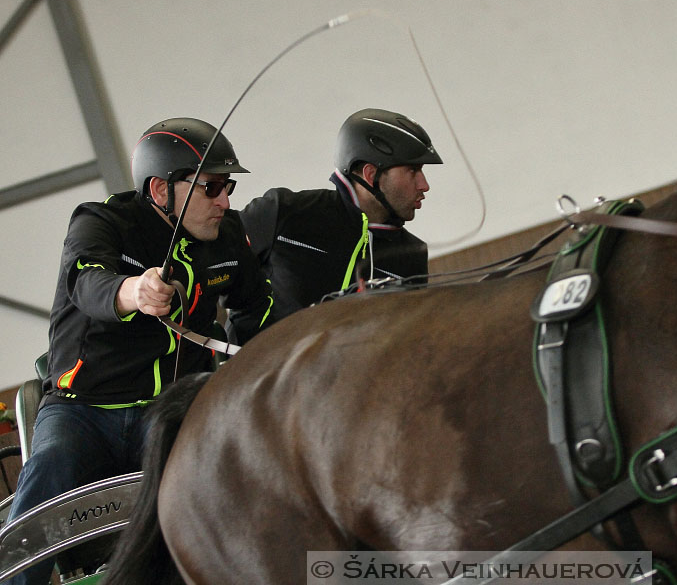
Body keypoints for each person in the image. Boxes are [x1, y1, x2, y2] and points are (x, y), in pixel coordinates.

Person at [2, 117, 274, 585]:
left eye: (228, 186)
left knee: (229, 474)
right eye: (210, 188)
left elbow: (257, 310)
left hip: (167, 411)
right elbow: (86, 283)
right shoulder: (101, 222)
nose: (225, 201)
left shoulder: (227, 237)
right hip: (82, 409)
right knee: (50, 467)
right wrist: (135, 291)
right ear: (160, 189)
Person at [231, 107, 442, 324]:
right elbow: (211, 264)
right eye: (413, 171)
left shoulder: (411, 256)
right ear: (371, 175)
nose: (424, 185)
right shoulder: (283, 212)